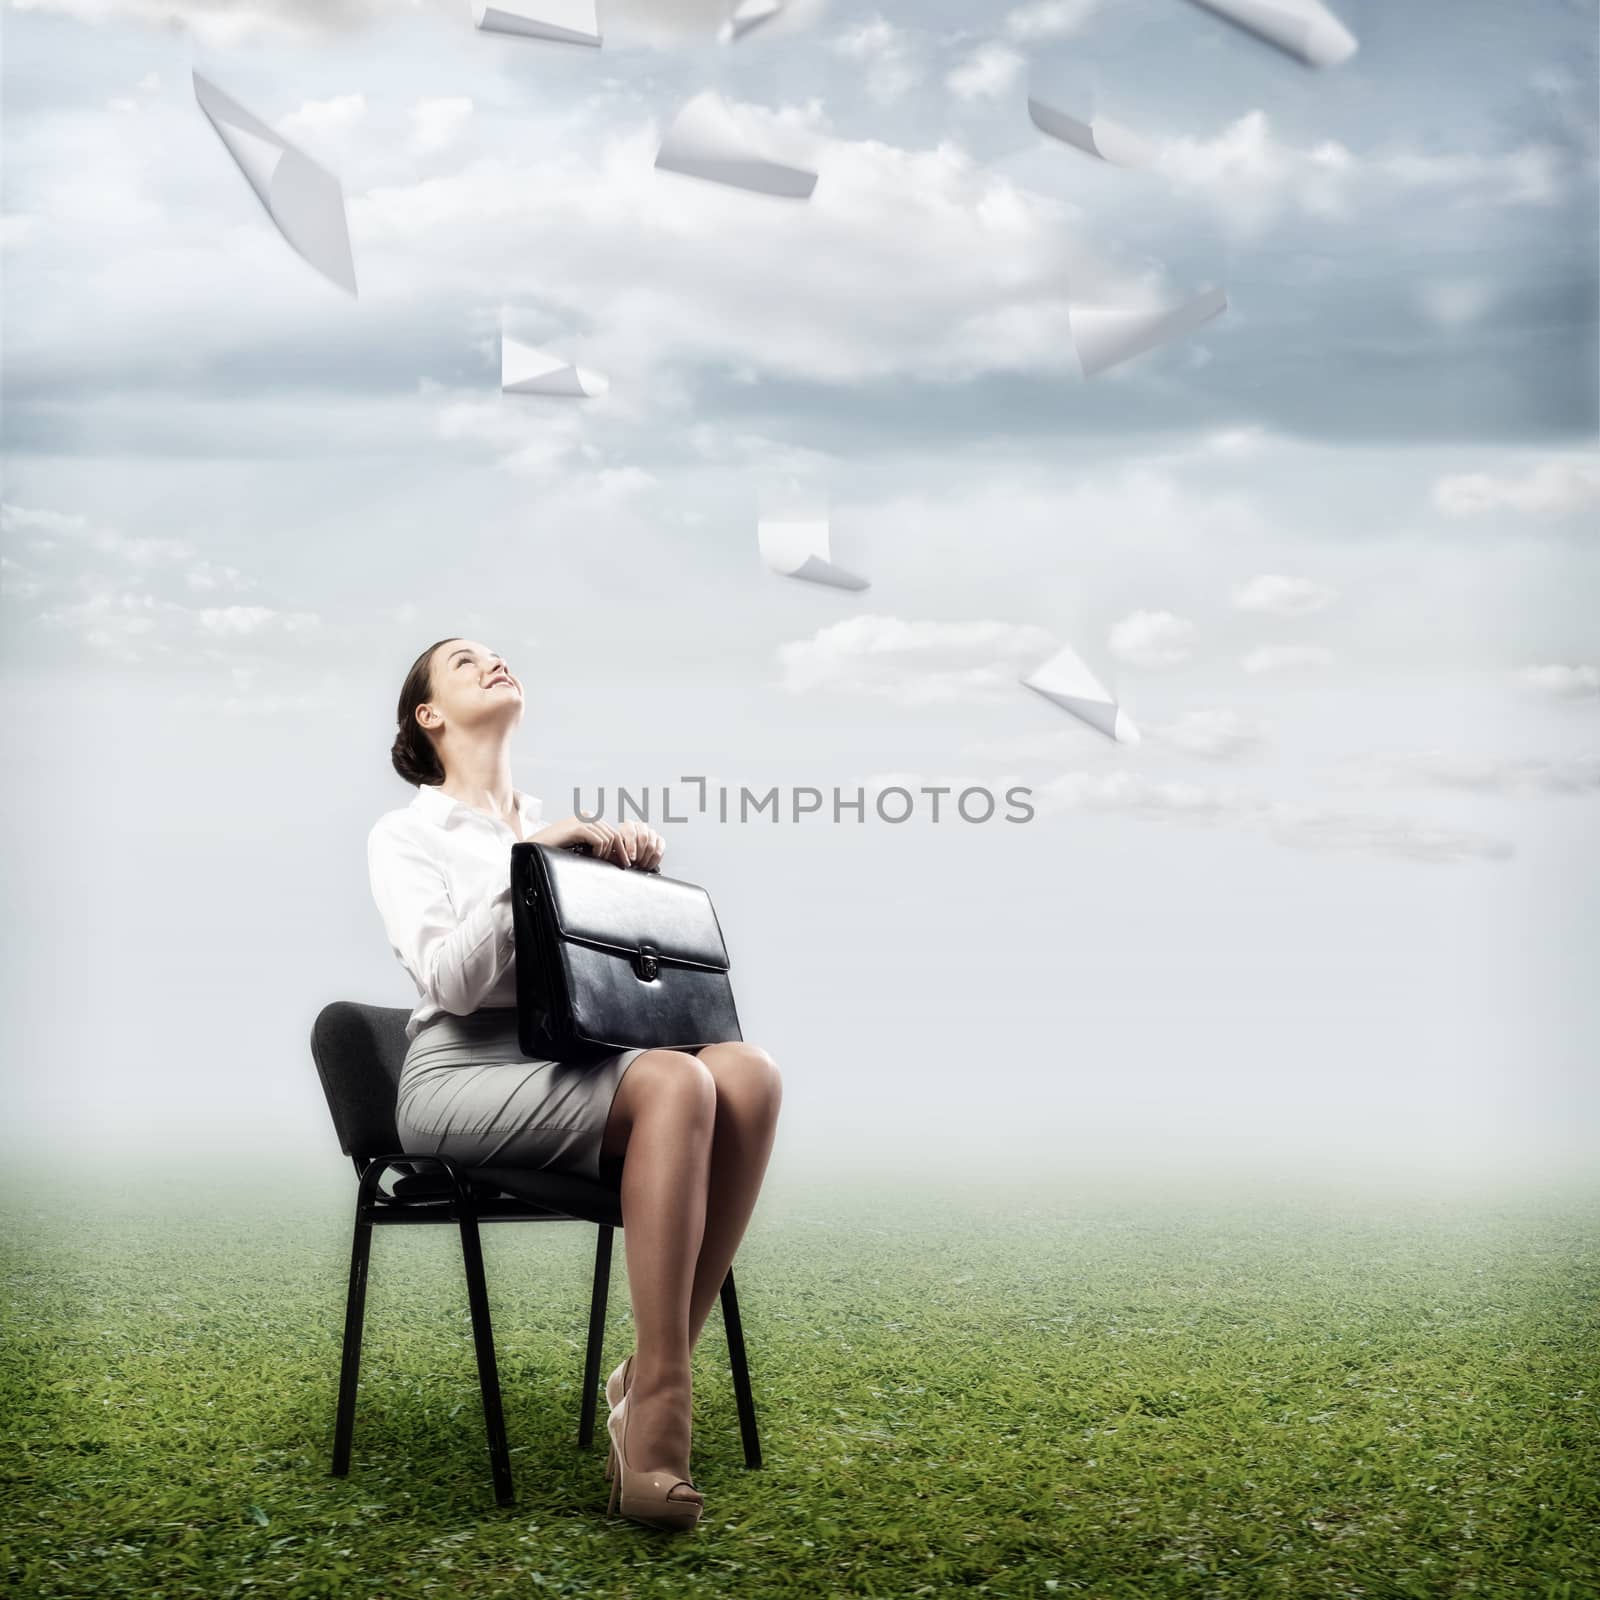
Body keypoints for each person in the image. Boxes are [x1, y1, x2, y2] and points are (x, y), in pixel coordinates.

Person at [367, 636, 783, 1532]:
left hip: (571, 1061)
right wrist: (534, 865)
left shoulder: (556, 823)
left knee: (747, 1074)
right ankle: (661, 1416)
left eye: (497, 654)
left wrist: (624, 887)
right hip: (458, 1074)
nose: (493, 662)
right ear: (427, 715)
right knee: (677, 1086)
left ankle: (645, 1374)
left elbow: (610, 996)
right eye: (463, 661)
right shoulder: (407, 834)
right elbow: (450, 983)